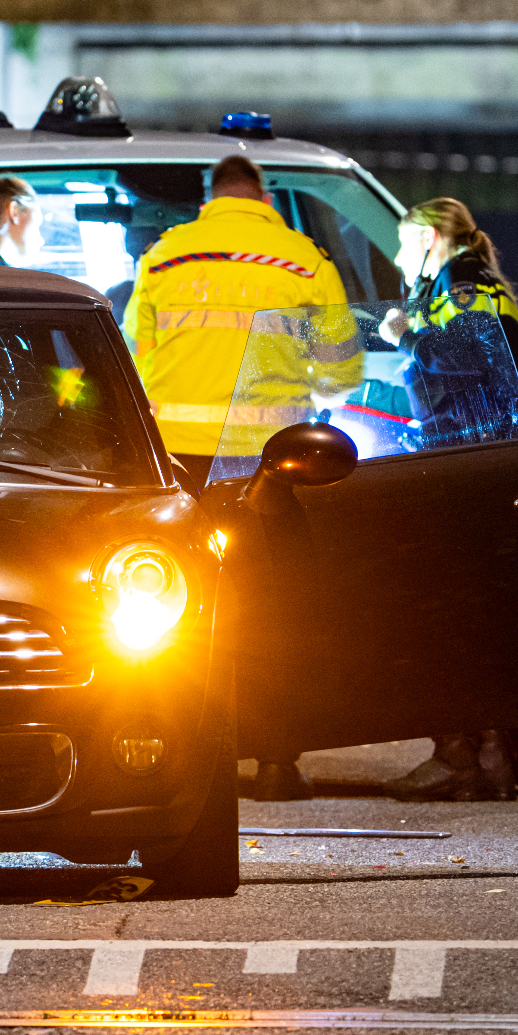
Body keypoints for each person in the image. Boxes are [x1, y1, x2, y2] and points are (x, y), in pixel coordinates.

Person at [123, 154, 356, 801]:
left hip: (177, 470)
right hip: (269, 467)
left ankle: (169, 756)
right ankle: (278, 762)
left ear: (210, 198)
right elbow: (343, 369)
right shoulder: (301, 258)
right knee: (274, 613)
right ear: (264, 199)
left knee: (172, 616)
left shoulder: (166, 256)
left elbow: (131, 359)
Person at [375, 197, 518, 803]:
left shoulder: (463, 284)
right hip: (473, 461)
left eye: (404, 241)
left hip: (465, 466)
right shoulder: (464, 283)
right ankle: (485, 754)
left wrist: (406, 334)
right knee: (472, 615)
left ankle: (459, 754)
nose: (396, 254)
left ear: (432, 237)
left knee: (443, 614)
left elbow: (463, 356)